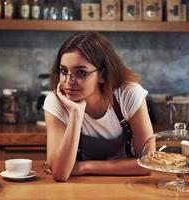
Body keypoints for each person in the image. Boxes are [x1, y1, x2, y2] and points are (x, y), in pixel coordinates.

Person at [43, 32, 154, 182]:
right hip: (78, 187)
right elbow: (60, 173)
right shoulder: (55, 102)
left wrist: (83, 167)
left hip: (127, 182)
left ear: (102, 74)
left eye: (81, 72)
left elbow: (148, 163)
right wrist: (76, 113)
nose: (69, 81)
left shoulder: (128, 94)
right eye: (64, 71)